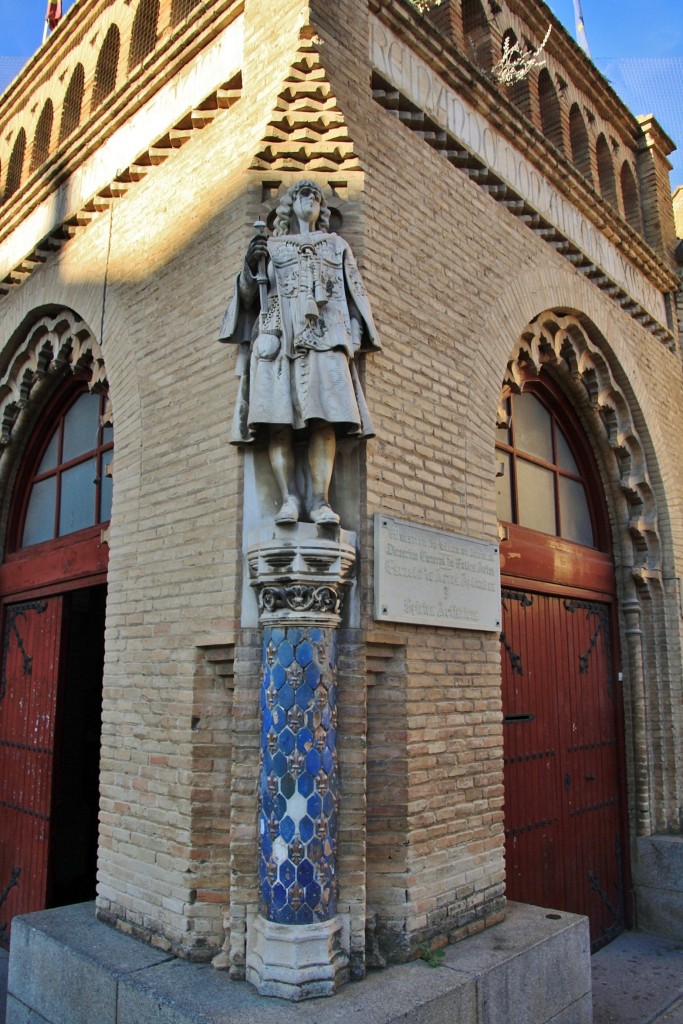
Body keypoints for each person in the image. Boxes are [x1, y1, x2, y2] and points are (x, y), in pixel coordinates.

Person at [219, 180, 380, 525]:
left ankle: (321, 501)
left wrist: (351, 336)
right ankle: (289, 498)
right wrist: (251, 266)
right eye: (304, 194)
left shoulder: (336, 246)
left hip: (326, 338)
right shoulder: (271, 247)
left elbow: (354, 296)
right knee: (279, 423)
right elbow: (248, 300)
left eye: (317, 196)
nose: (312, 200)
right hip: (278, 340)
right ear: (289, 205)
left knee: (326, 420)